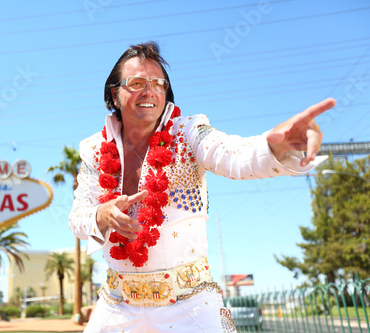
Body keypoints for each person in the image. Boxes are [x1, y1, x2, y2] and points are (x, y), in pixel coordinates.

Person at [69, 41, 335, 332]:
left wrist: (274, 144)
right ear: (115, 94)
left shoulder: (189, 131)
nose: (149, 91)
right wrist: (101, 215)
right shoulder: (94, 149)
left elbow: (233, 154)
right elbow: (77, 219)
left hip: (191, 302)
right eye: (136, 83)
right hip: (117, 303)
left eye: (158, 83)